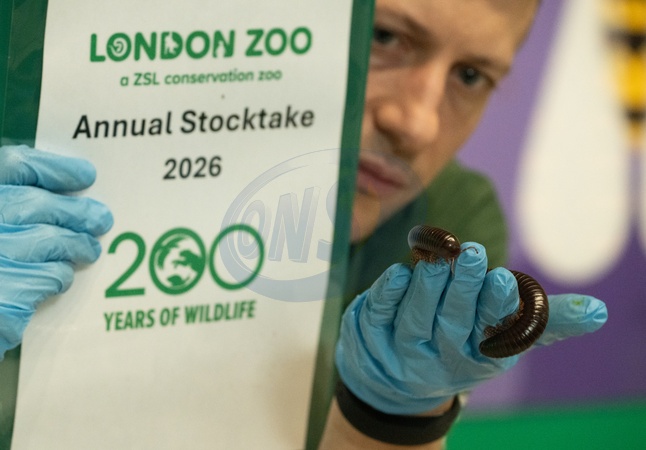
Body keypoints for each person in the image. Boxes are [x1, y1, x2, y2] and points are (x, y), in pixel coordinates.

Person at [0, 0, 607, 448]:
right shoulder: (33, 162)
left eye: (470, 76)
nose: (416, 123)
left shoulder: (452, 218)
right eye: (385, 35)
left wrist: (390, 420)